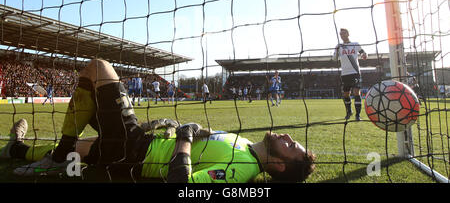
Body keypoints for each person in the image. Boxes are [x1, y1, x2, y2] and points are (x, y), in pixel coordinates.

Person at [1, 59, 316, 183]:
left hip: (137, 151)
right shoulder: (247, 146)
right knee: (79, 151)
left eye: (291, 146)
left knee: (98, 69)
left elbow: (181, 184)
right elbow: (206, 139)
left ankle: (57, 157)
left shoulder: (242, 170)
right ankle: (17, 149)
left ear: (279, 165)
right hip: (142, 144)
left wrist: (185, 138)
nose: (288, 137)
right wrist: (183, 129)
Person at [333, 28, 367, 121]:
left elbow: (363, 52)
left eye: (344, 34)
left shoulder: (355, 44)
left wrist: (364, 55)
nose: (342, 36)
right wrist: (336, 51)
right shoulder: (338, 46)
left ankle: (358, 115)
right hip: (345, 74)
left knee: (356, 92)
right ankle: (349, 112)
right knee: (346, 94)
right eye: (341, 34)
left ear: (348, 34)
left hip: (355, 72)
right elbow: (334, 59)